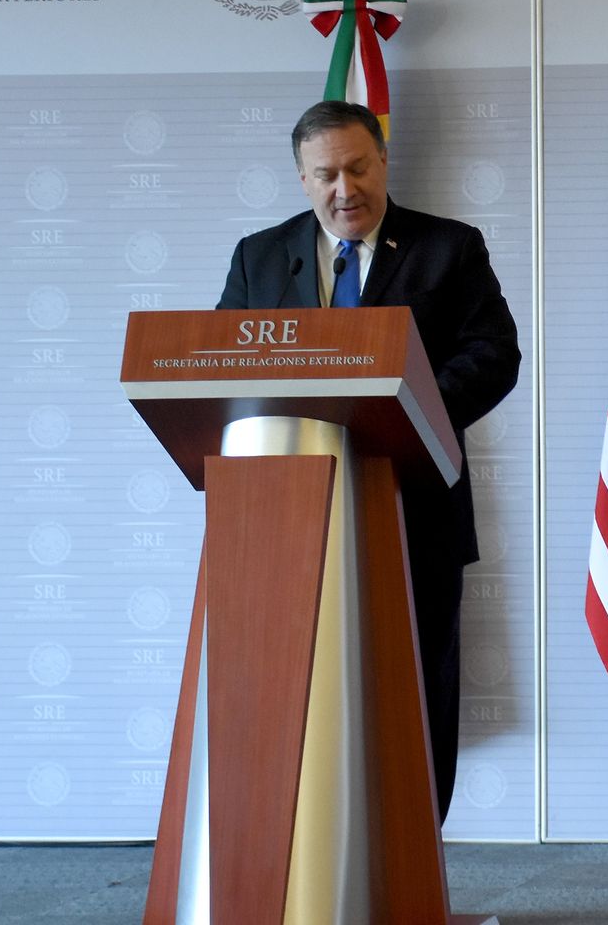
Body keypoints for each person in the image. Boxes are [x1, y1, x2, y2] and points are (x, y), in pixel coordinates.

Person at [218, 100, 520, 820]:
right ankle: (303, 863)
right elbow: (223, 369)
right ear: (301, 178)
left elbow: (493, 356)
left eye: (358, 168)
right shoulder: (258, 257)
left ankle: (412, 862)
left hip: (414, 511)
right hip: (287, 516)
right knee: (297, 692)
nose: (344, 188)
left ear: (383, 160)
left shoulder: (449, 248)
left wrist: (402, 412)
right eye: (326, 174)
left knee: (412, 688)